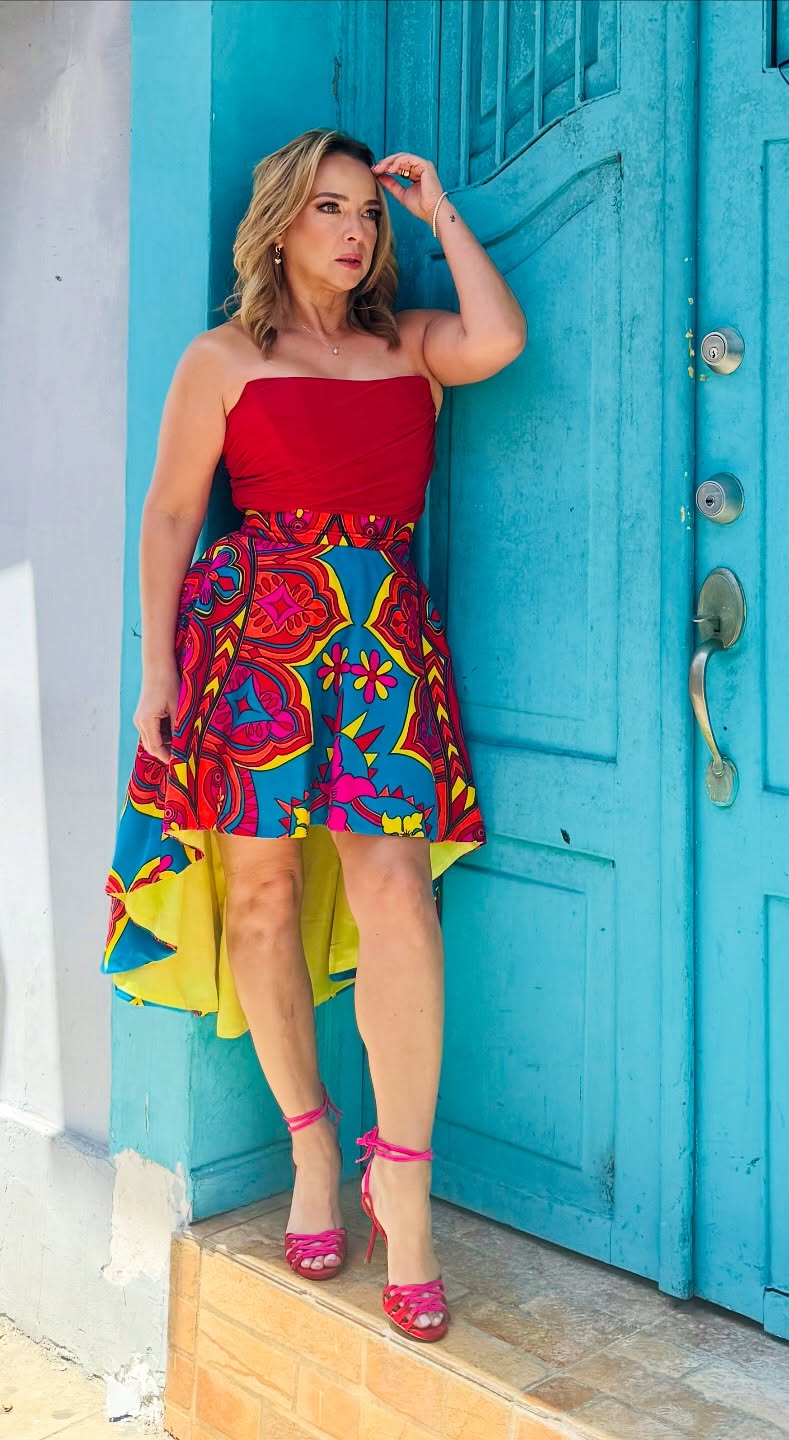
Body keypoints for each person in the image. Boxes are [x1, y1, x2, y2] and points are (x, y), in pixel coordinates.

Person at [102, 128, 526, 1343]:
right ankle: (311, 1148)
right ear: (280, 224)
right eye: (330, 209)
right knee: (260, 894)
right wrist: (156, 668)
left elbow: (500, 337)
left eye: (366, 214)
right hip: (253, 643)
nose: (353, 232)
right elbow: (172, 513)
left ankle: (408, 1190)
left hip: (380, 647)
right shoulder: (224, 358)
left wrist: (439, 213)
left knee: (398, 894)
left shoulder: (412, 346)